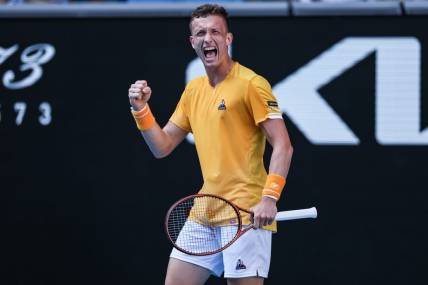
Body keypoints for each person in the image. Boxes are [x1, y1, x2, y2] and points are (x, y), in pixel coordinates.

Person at [128, 4, 293, 285]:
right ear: (192, 42)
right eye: (200, 33)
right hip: (205, 210)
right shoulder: (194, 90)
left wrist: (269, 198)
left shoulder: (251, 84)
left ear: (228, 39)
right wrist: (140, 110)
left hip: (245, 213)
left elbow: (283, 145)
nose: (208, 38)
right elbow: (162, 146)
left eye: (215, 31)